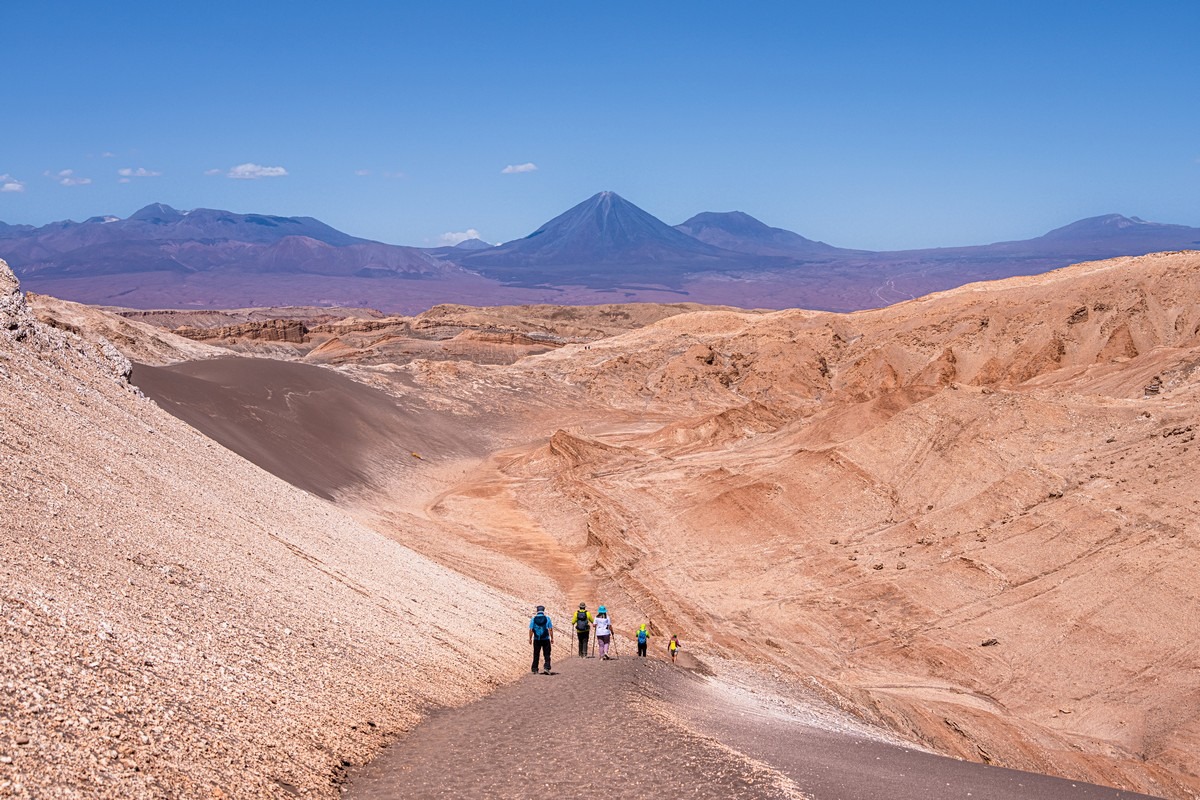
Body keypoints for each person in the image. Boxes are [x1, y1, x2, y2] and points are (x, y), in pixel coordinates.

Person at [528, 605, 553, 674]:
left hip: (536, 639)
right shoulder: (547, 618)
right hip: (545, 639)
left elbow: (531, 629)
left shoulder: (534, 619)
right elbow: (550, 629)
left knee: (536, 654)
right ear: (543, 611)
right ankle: (546, 668)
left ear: (537, 611)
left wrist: (530, 638)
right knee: (547, 654)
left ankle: (535, 669)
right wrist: (552, 638)